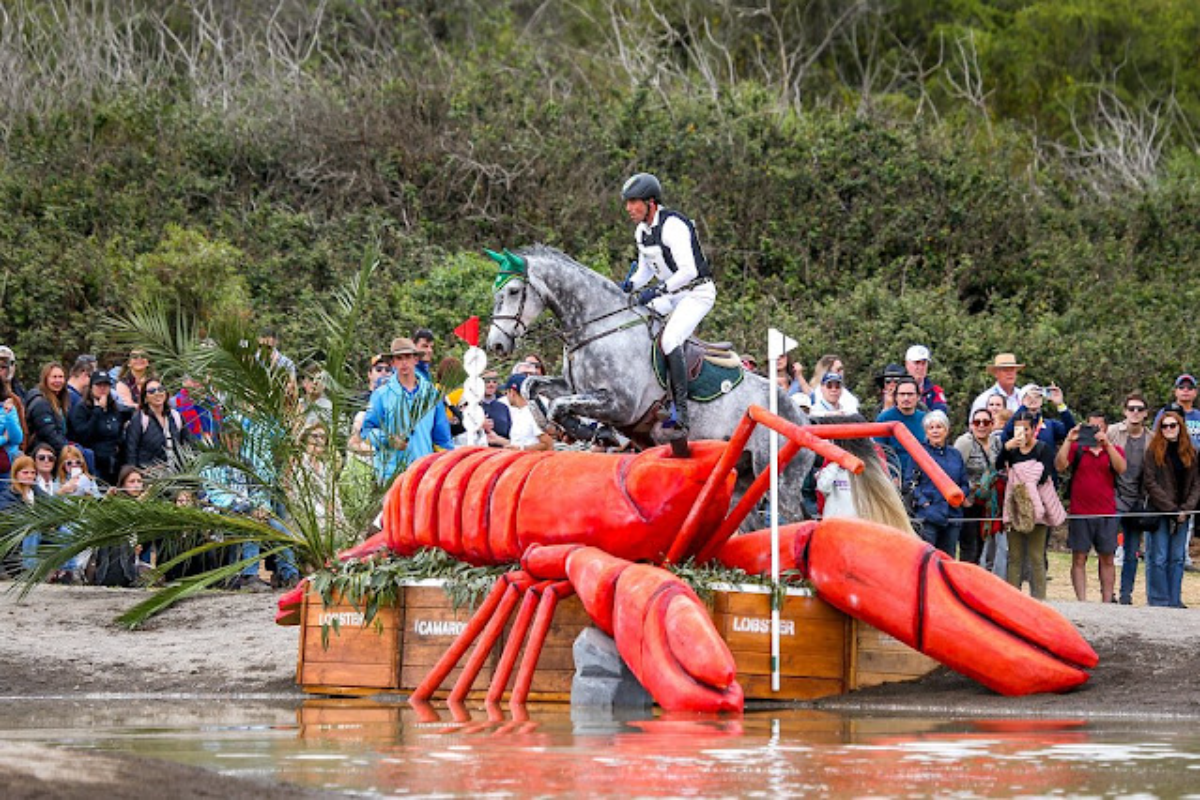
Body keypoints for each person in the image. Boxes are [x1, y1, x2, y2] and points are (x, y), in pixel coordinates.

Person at [621, 172, 716, 440]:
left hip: (697, 292)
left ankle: (681, 412)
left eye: (634, 202)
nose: (629, 208)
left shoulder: (674, 225)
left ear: (651, 203)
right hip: (672, 294)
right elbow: (643, 271)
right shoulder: (642, 231)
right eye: (627, 203)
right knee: (636, 324)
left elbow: (687, 271)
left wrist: (656, 291)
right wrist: (628, 286)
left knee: (671, 339)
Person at [360, 337, 454, 483]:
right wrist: (388, 439)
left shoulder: (431, 394)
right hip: (390, 475)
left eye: (408, 357)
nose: (404, 363)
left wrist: (447, 471)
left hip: (424, 474)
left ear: (416, 359)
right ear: (393, 363)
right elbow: (366, 431)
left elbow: (443, 439)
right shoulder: (381, 395)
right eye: (399, 358)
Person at [1055, 413, 1126, 603]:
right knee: (1079, 557)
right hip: (1080, 512)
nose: (1094, 431)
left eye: (1098, 427)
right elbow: (1060, 466)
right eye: (1091, 427)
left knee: (1107, 558)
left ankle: (1106, 601)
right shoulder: (1078, 448)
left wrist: (1107, 445)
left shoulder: (1114, 449)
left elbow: (1121, 468)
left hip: (1106, 512)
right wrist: (1069, 440)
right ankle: (1082, 601)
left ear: (1105, 429)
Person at [996, 411, 1063, 599]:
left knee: (1036, 556)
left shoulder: (1043, 448)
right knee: (1015, 556)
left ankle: (1039, 598)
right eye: (1018, 429)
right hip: (1015, 507)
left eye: (1026, 429)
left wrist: (1023, 479)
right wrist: (1006, 449)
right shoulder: (1011, 449)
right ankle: (1013, 598)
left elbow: (1044, 475)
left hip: (1038, 508)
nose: (1022, 433)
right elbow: (998, 466)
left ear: (1033, 429)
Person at [1141, 410, 1199, 608]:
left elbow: (1197, 484)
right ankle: (1159, 600)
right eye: (1164, 426)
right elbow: (1150, 482)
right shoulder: (1152, 451)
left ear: (1180, 427)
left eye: (1172, 425)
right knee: (1158, 557)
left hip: (1184, 512)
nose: (1168, 429)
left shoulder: (1192, 452)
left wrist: (1186, 509)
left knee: (1177, 558)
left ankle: (1174, 600)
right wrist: (1171, 509)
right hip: (1161, 511)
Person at [1107, 392, 1152, 604]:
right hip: (1114, 496)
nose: (1135, 412)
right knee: (1107, 548)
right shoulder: (1113, 432)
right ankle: (1109, 594)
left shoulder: (1151, 439)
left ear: (1146, 413)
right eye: (1131, 408)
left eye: (1139, 409)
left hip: (1137, 500)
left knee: (1132, 551)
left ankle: (1126, 595)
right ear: (1125, 411)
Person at [911, 411, 970, 555]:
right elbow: (910, 483)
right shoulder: (919, 452)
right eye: (931, 428)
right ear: (926, 431)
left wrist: (959, 497)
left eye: (939, 427)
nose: (935, 431)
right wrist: (924, 502)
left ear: (946, 430)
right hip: (927, 516)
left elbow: (964, 483)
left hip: (952, 515)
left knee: (948, 559)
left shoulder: (955, 454)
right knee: (927, 557)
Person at [954, 406, 1001, 565]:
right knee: (969, 546)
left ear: (992, 424)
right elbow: (955, 470)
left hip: (987, 503)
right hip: (968, 501)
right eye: (977, 422)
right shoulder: (965, 443)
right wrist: (963, 496)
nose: (981, 425)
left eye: (986, 422)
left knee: (981, 545)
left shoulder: (996, 442)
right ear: (971, 425)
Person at [68, 371, 129, 486]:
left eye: (105, 385)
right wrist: (97, 410)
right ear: (91, 387)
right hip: (93, 462)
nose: (102, 388)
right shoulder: (81, 408)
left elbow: (118, 431)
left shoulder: (114, 408)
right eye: (99, 385)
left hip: (113, 461)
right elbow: (84, 435)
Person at [125, 378, 190, 471]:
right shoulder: (139, 419)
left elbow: (187, 445)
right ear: (145, 397)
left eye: (160, 389)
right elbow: (131, 451)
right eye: (151, 391)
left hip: (177, 475)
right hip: (150, 476)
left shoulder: (176, 416)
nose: (157, 393)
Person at [876, 376, 926, 481]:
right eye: (902, 394)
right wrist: (892, 475)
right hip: (894, 478)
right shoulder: (884, 418)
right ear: (896, 397)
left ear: (918, 397)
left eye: (910, 394)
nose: (906, 398)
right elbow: (878, 452)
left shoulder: (925, 419)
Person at [999, 384, 1076, 452]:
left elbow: (1071, 431)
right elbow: (1005, 437)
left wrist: (1060, 405)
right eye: (1028, 396)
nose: (1033, 399)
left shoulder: (1050, 424)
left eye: (1037, 396)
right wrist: (1024, 407)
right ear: (1021, 401)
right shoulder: (1014, 423)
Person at [24, 362, 71, 455]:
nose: (58, 380)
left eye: (61, 377)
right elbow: (49, 434)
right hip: (43, 452)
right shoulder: (41, 403)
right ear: (45, 379)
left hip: (58, 446)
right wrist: (68, 450)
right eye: (54, 377)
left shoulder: (60, 401)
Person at [502, 375, 553, 452]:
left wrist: (521, 449)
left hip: (534, 461)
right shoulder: (519, 412)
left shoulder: (534, 413)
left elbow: (547, 444)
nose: (506, 396)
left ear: (512, 392)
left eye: (506, 393)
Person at [174, 374, 222, 445]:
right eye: (194, 381)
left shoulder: (212, 403)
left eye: (202, 380)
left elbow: (218, 427)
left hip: (213, 448)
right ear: (184, 383)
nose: (198, 384)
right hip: (189, 449)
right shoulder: (175, 403)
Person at [904, 345, 948, 413]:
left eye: (923, 363)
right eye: (917, 363)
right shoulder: (897, 389)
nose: (920, 367)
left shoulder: (935, 391)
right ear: (907, 364)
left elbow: (940, 414)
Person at [479, 368, 512, 446]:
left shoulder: (503, 407)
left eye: (494, 381)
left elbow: (510, 434)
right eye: (487, 381)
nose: (491, 384)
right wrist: (478, 425)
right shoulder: (471, 406)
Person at [0, 378, 24, 471]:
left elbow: (17, 439)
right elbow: (8, 438)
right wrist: (4, 438)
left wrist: (9, 416)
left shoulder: (7, 407)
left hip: (8, 465)